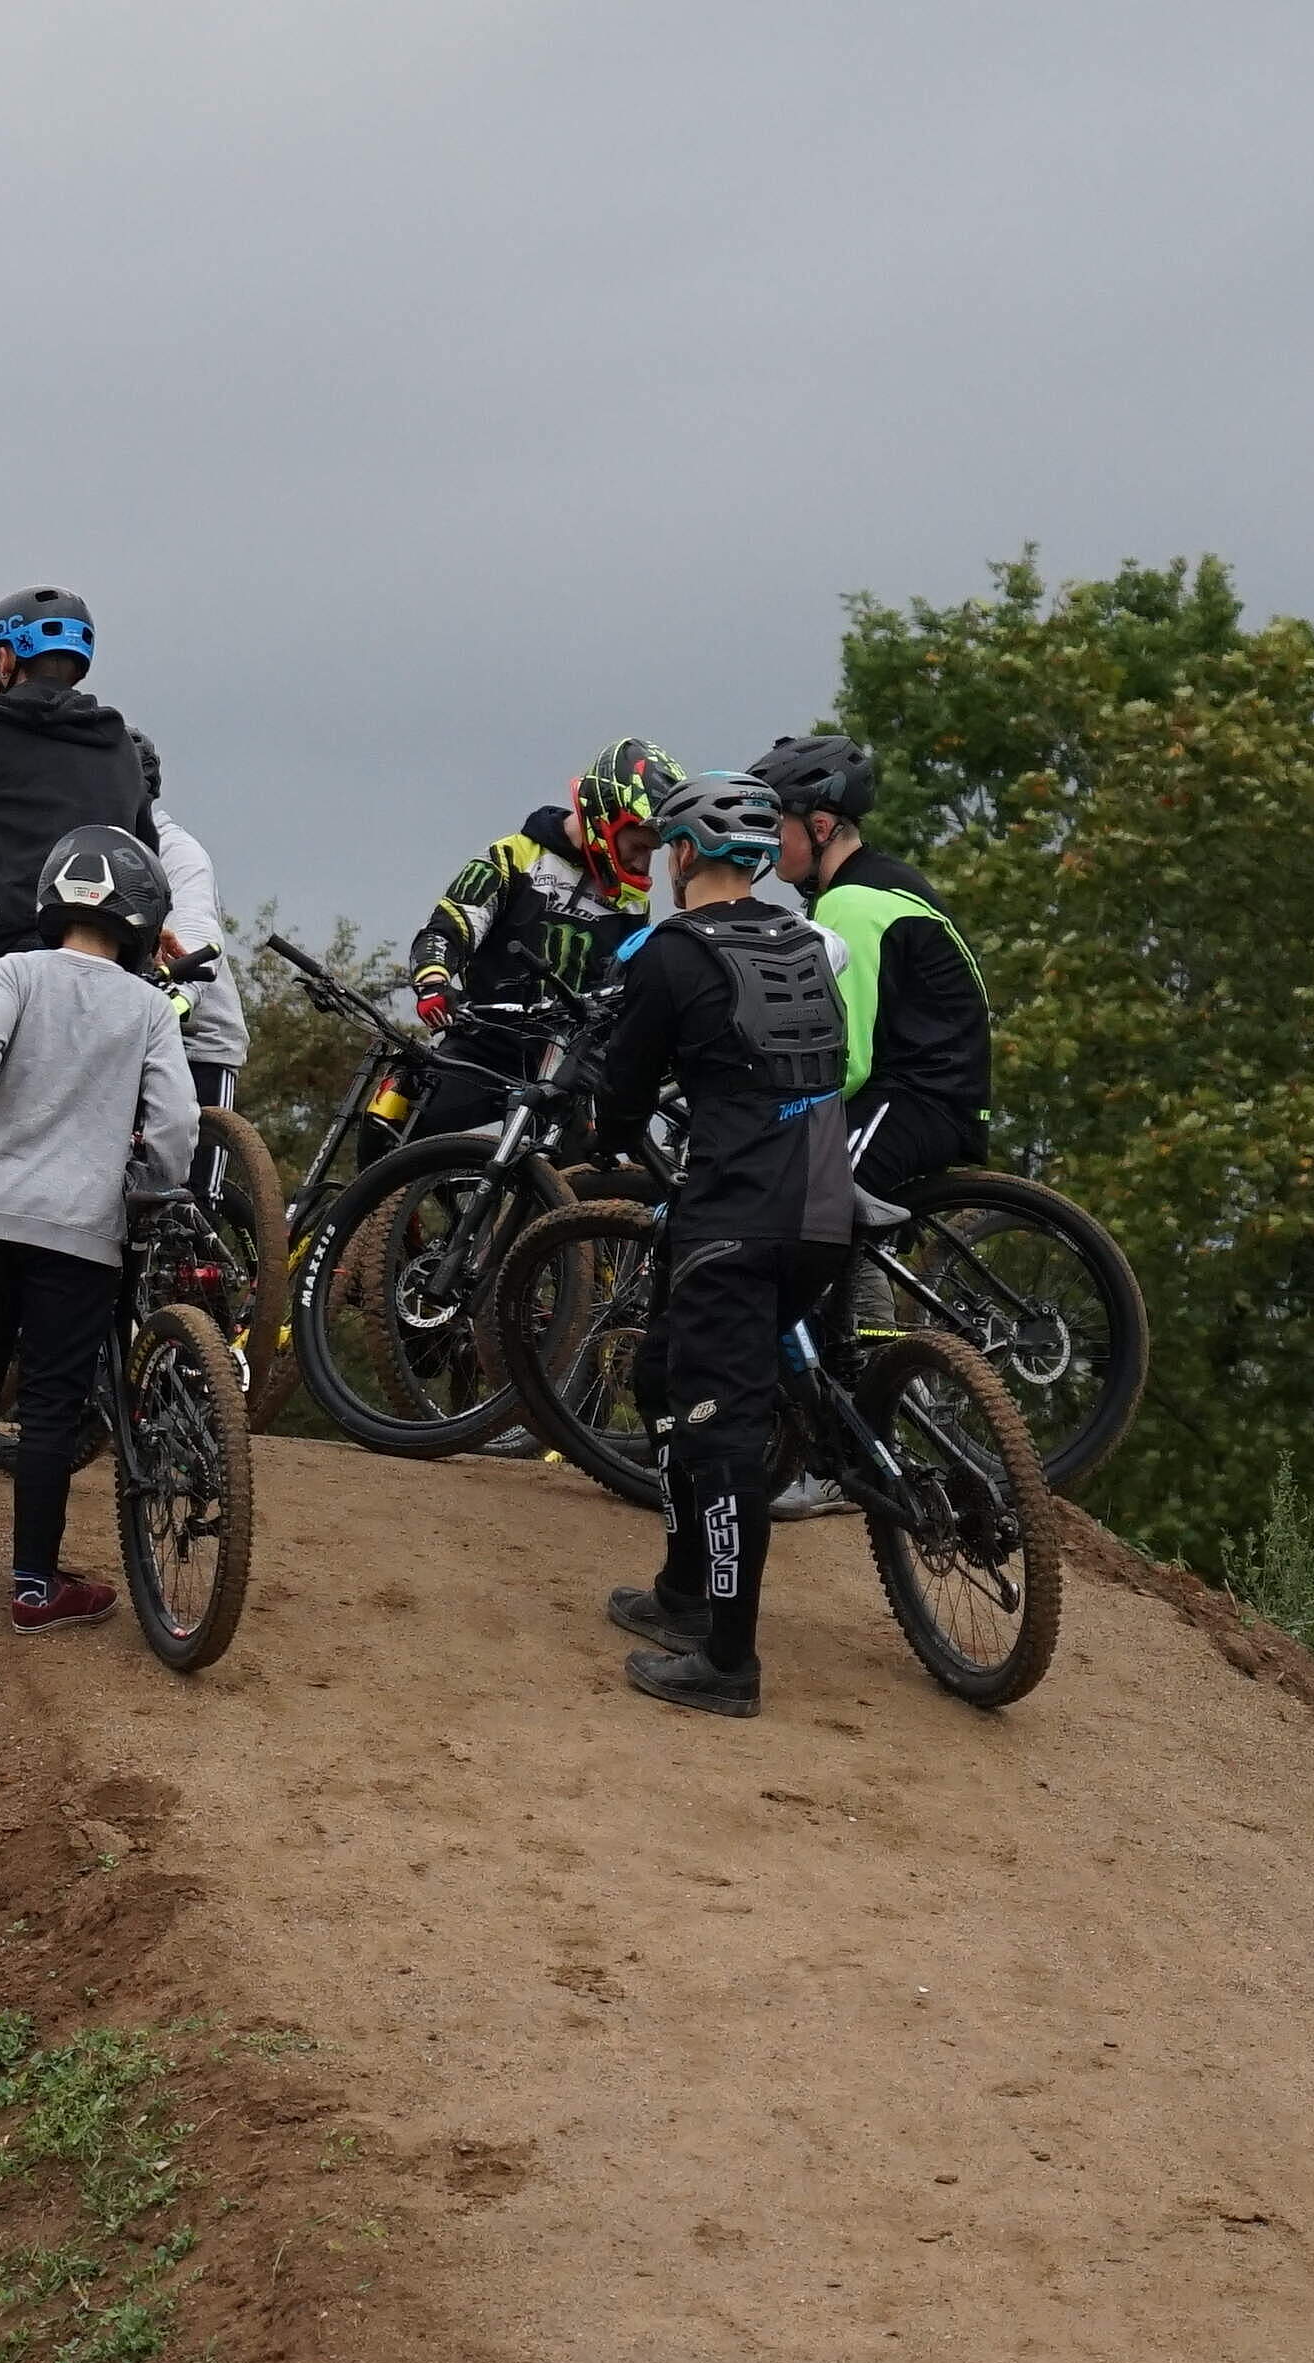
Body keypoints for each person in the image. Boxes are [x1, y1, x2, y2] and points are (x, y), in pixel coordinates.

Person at [582, 770, 859, 1718]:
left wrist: (607, 1140)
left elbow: (619, 1095)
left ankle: (727, 1661)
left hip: (732, 1222)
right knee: (664, 1375)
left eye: (668, 850)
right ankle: (679, 1590)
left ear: (688, 853)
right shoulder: (814, 941)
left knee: (721, 1427)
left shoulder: (667, 955)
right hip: (826, 1216)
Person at [0, 825, 198, 1633]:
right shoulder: (150, 1006)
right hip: (82, 1234)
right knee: (52, 1405)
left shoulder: (17, 971)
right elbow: (176, 1125)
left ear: (55, 899)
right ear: (139, 915)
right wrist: (149, 1185)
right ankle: (34, 1590)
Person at [397, 738, 679, 1138]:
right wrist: (433, 981)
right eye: (637, 846)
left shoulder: (633, 904)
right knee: (398, 1115)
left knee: (586, 1173)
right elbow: (451, 925)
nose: (642, 862)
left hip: (567, 1058)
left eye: (651, 851)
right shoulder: (515, 856)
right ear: (603, 818)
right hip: (485, 1040)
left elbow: (627, 987)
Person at [753, 731, 989, 1196]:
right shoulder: (869, 883)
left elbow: (847, 1061)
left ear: (819, 828)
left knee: (806, 1202)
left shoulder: (854, 903)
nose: (767, 845)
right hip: (920, 1095)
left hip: (915, 1100)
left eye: (777, 827)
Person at [0, 591, 155, 971]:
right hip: (116, 965)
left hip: (28, 961)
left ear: (4, 660)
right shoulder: (118, 740)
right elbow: (144, 852)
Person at [152, 812, 250, 1112]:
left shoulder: (174, 850)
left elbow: (194, 922)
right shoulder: (66, 843)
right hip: (116, 1041)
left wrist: (182, 993)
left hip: (196, 1048)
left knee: (185, 1152)